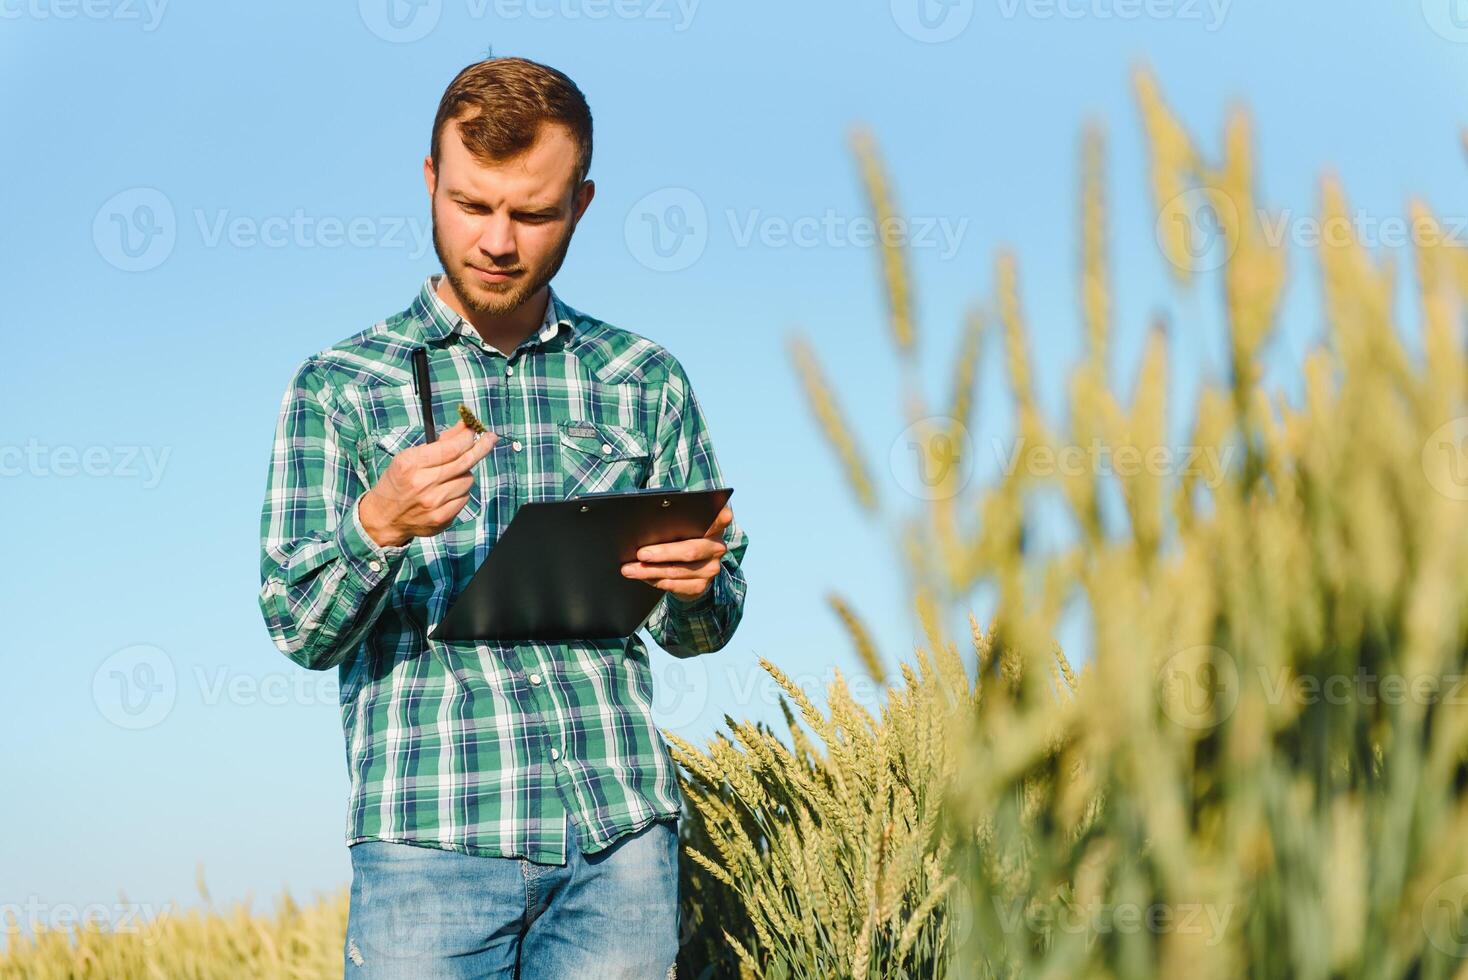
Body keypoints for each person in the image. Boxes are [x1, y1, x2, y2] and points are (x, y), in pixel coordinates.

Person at [255, 55, 749, 979]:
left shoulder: (644, 378)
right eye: (473, 205)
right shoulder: (337, 386)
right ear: (431, 179)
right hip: (427, 843)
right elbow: (295, 624)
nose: (497, 241)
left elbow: (708, 624)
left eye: (532, 213)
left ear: (584, 203)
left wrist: (698, 586)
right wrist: (378, 525)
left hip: (620, 839)